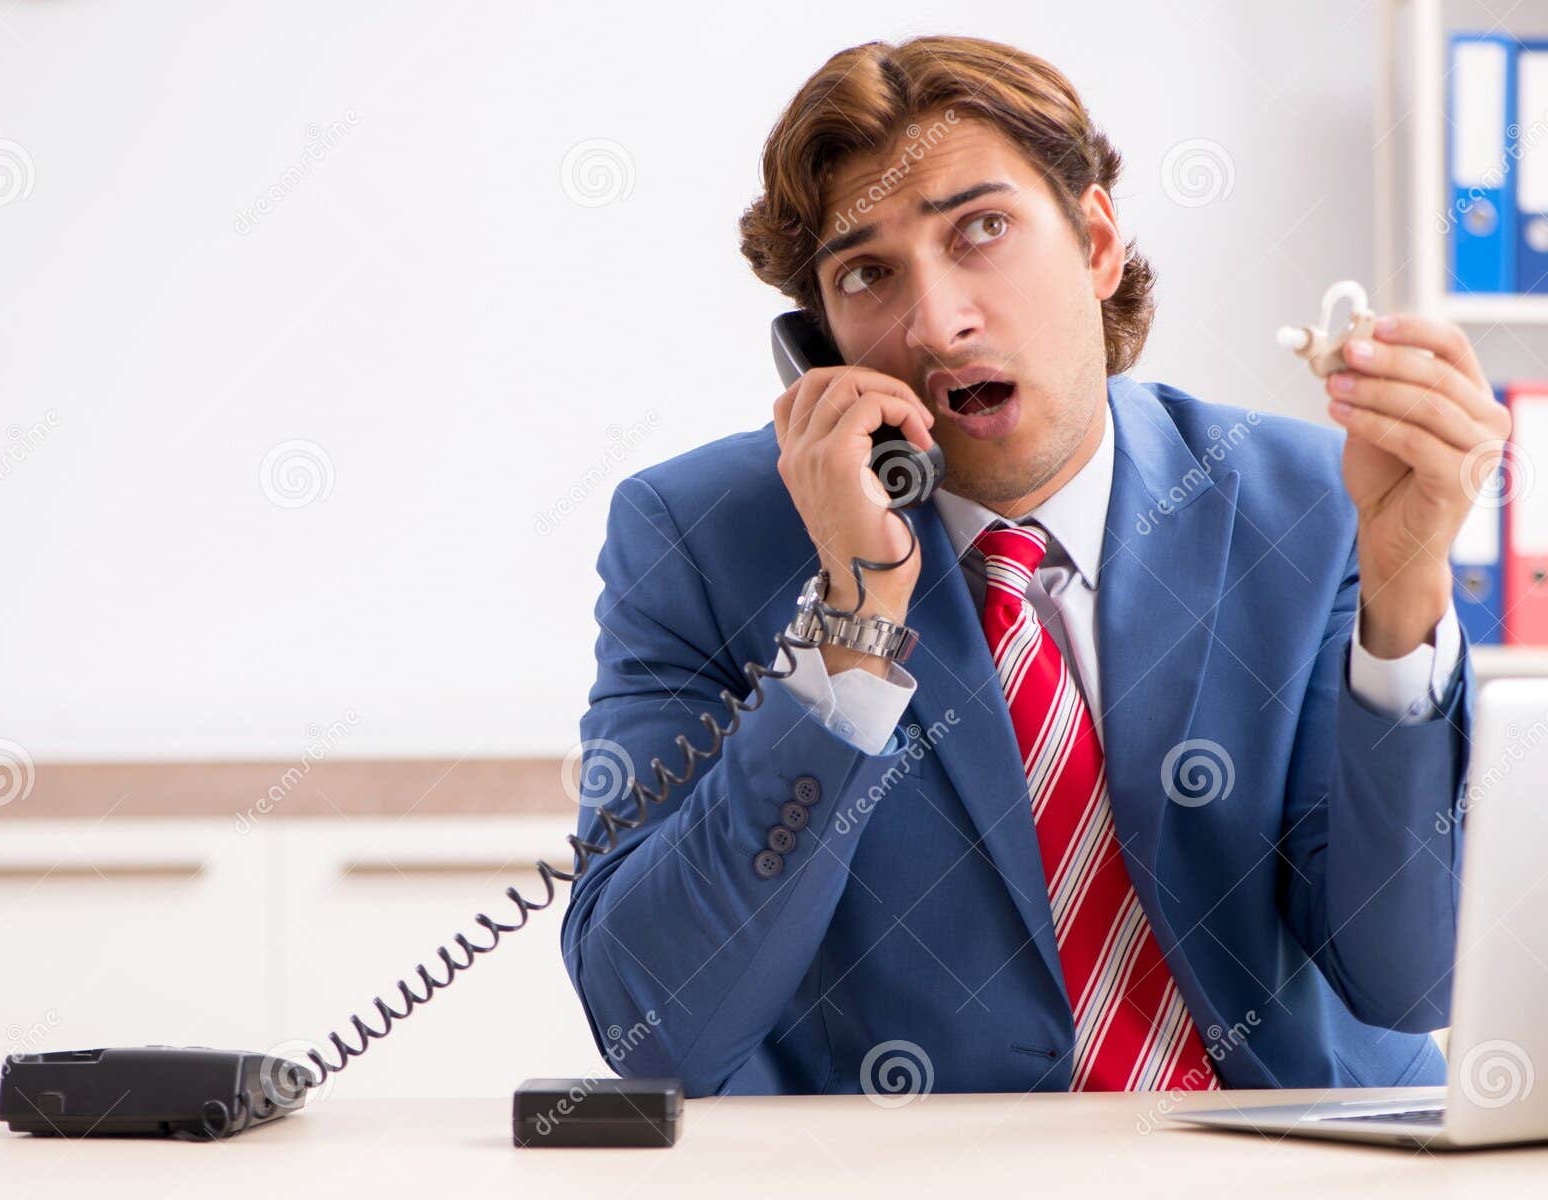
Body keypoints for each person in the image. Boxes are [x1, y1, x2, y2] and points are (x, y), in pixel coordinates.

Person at [561, 35, 1505, 1097]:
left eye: (982, 230)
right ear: (819, 346)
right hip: (932, 1187)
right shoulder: (697, 539)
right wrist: (852, 623)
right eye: (867, 273)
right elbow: (654, 1031)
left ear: (1096, 244)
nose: (937, 323)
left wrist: (1406, 593)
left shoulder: (1312, 506)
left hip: (1291, 1169)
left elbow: (1410, 978)